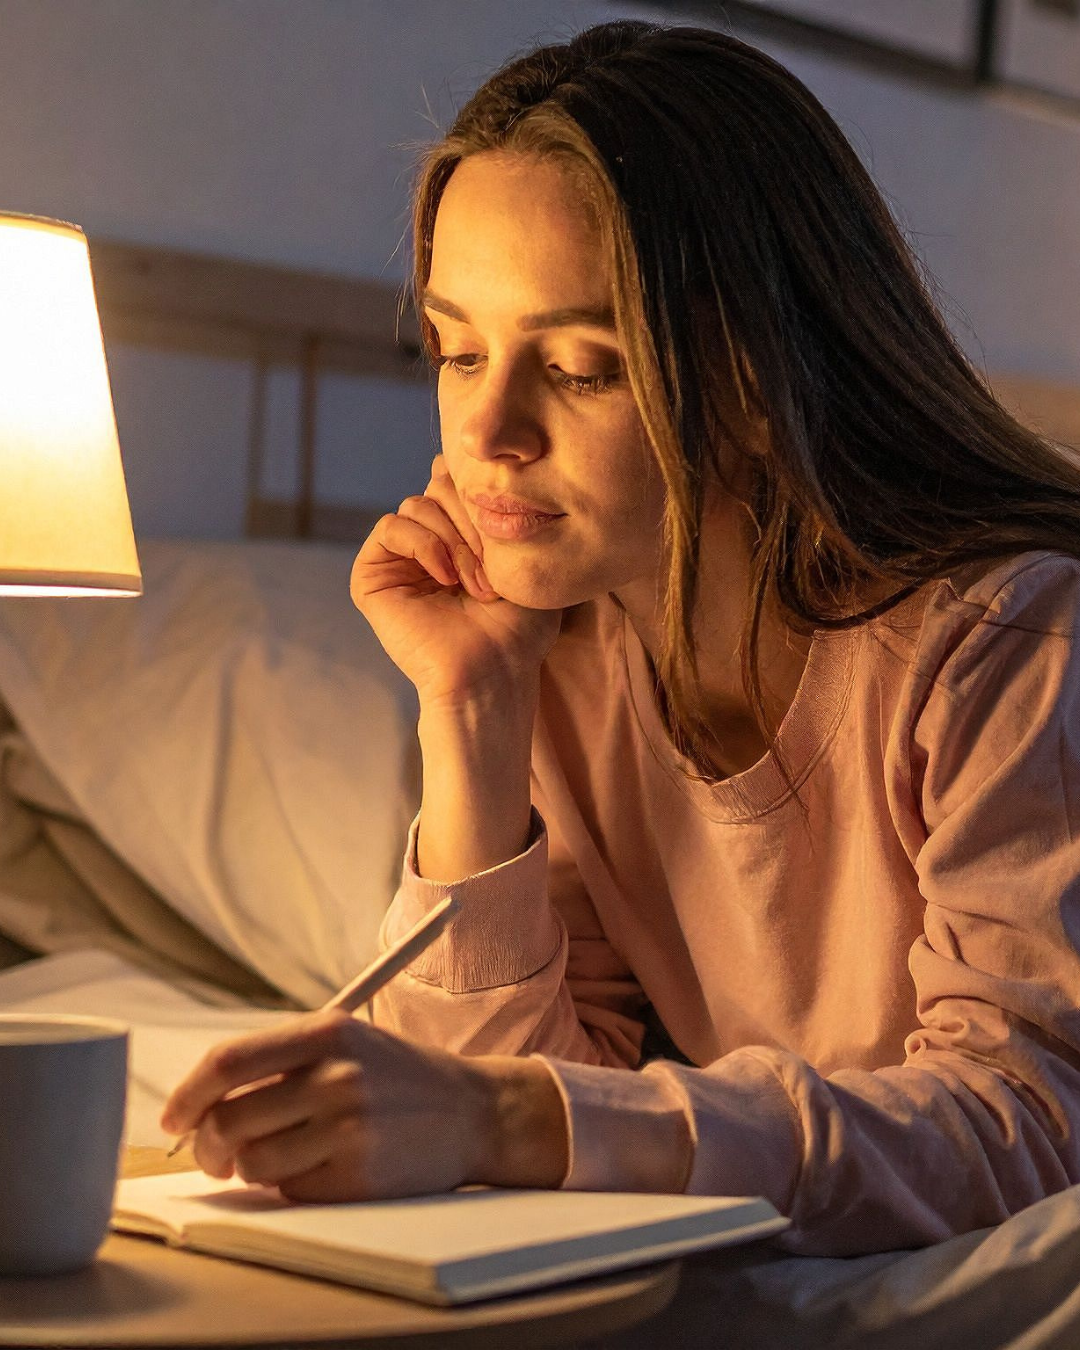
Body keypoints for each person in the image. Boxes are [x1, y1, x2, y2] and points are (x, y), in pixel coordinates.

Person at [161, 19, 1080, 1259]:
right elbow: (498, 1137)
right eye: (457, 348)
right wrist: (475, 714)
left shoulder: (1005, 642)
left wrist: (503, 1118)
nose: (488, 428)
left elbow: (1025, 1128)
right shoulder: (561, 655)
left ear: (757, 381)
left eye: (581, 367)